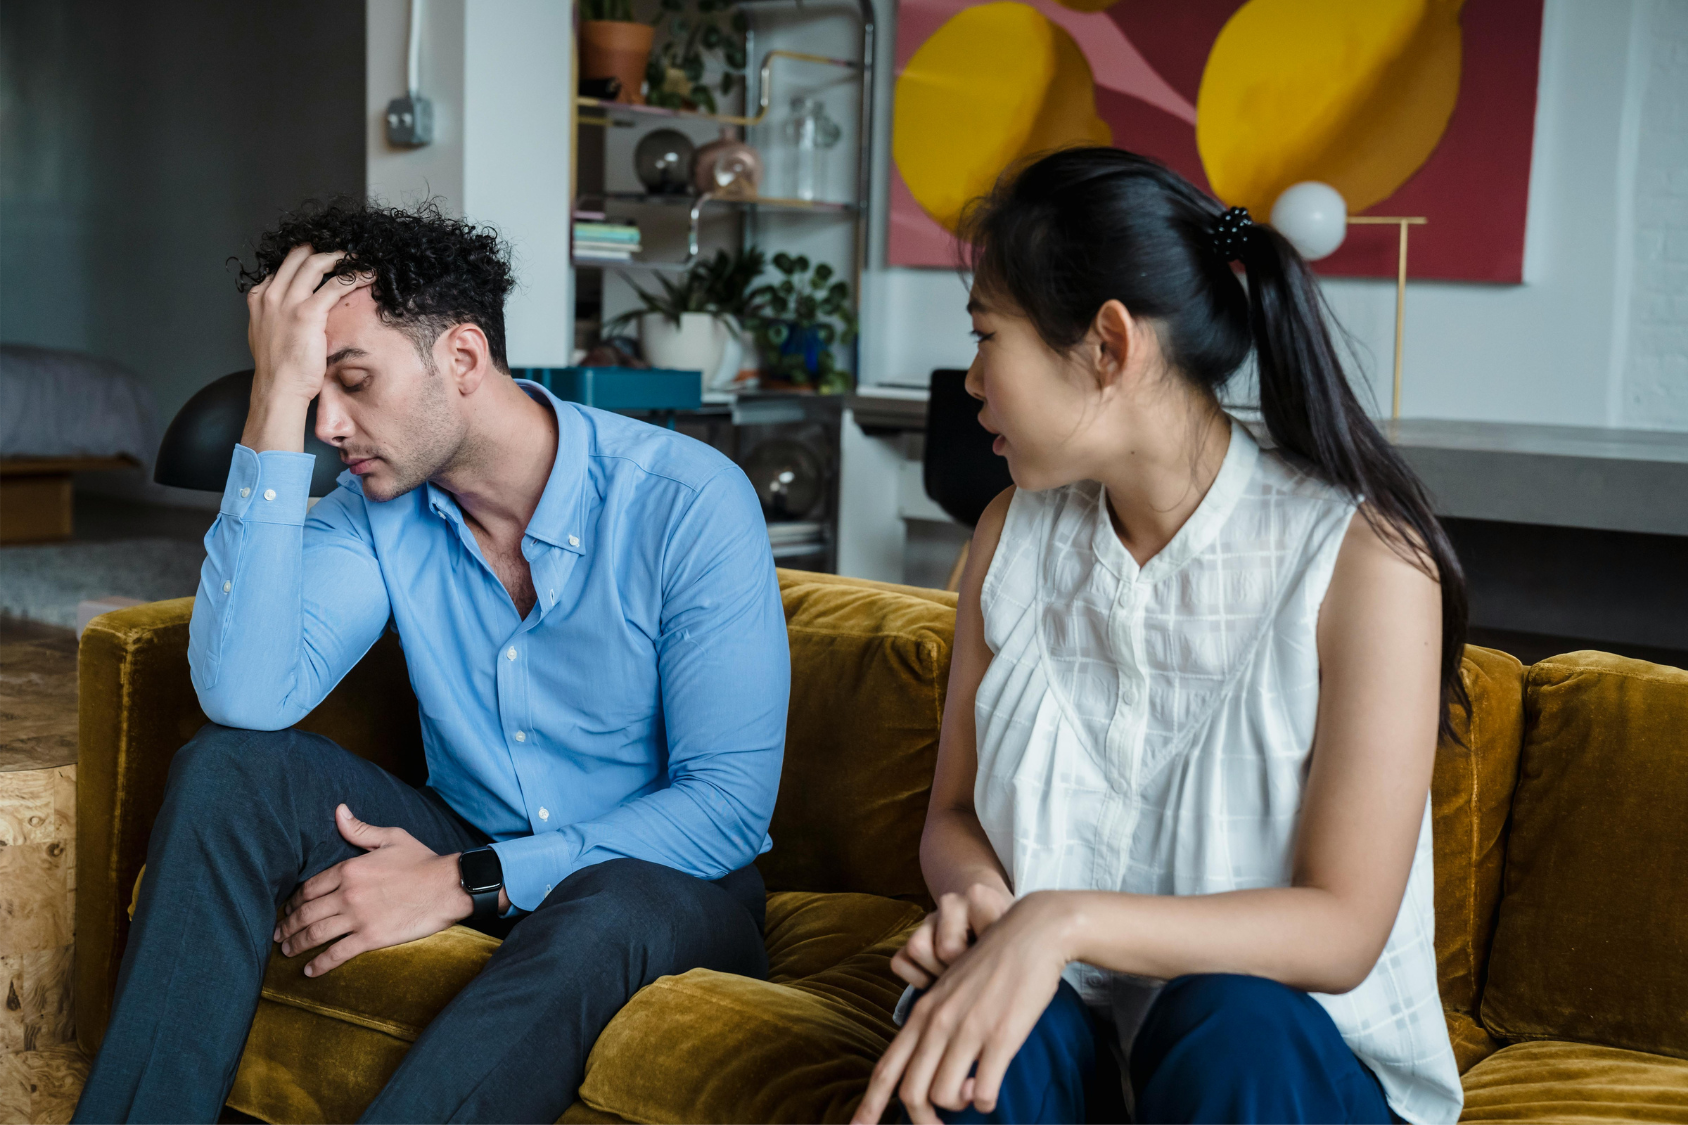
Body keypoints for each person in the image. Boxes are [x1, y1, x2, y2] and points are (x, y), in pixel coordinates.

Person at [74, 200, 789, 1124]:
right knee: (231, 770)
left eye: (353, 381)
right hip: (464, 827)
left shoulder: (688, 502)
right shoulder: (375, 511)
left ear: (460, 358)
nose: (330, 423)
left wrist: (466, 879)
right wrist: (269, 402)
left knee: (608, 903)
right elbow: (246, 695)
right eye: (310, 391)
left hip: (663, 886)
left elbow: (725, 810)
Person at [853, 149, 1468, 1125]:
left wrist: (1056, 922)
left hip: (1282, 1073)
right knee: (974, 1051)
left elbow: (1341, 929)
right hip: (1080, 1048)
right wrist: (980, 904)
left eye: (986, 336)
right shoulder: (1009, 535)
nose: (970, 380)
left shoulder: (1364, 561)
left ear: (1106, 345)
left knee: (1232, 1020)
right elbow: (953, 814)